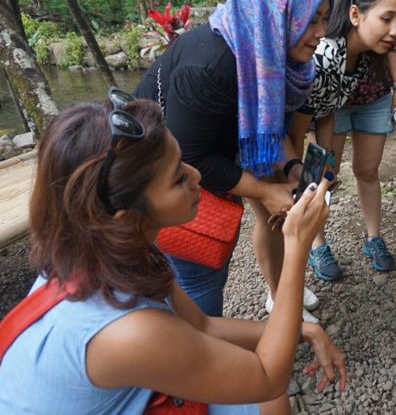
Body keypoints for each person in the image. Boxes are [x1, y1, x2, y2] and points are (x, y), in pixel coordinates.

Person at [0, 97, 346, 414]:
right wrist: (297, 245)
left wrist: (305, 330)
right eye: (178, 178)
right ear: (128, 217)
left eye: (184, 162)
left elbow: (202, 325)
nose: (196, 176)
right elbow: (267, 376)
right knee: (269, 394)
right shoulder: (127, 333)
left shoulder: (109, 250)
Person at [133, 0, 334, 323]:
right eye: (310, 20)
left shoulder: (279, 55)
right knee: (202, 267)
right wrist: (263, 191)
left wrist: (290, 166)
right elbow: (190, 156)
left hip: (219, 143)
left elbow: (270, 127)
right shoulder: (212, 66)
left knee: (272, 212)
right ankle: (197, 364)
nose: (321, 32)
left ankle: (275, 301)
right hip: (166, 164)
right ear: (275, 14)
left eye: (324, 18)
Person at [287, 0, 396, 283]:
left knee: (327, 172)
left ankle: (327, 236)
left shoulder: (360, 55)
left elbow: (328, 108)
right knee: (316, 176)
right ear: (355, 14)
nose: (395, 31)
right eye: (386, 19)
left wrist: (327, 157)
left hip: (321, 117)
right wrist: (303, 166)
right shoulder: (324, 57)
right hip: (284, 135)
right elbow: (297, 131)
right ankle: (310, 244)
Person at [311, 0, 396, 280]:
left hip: (372, 92)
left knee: (368, 170)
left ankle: (374, 238)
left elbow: (393, 40)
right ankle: (316, 244)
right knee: (325, 174)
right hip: (328, 96)